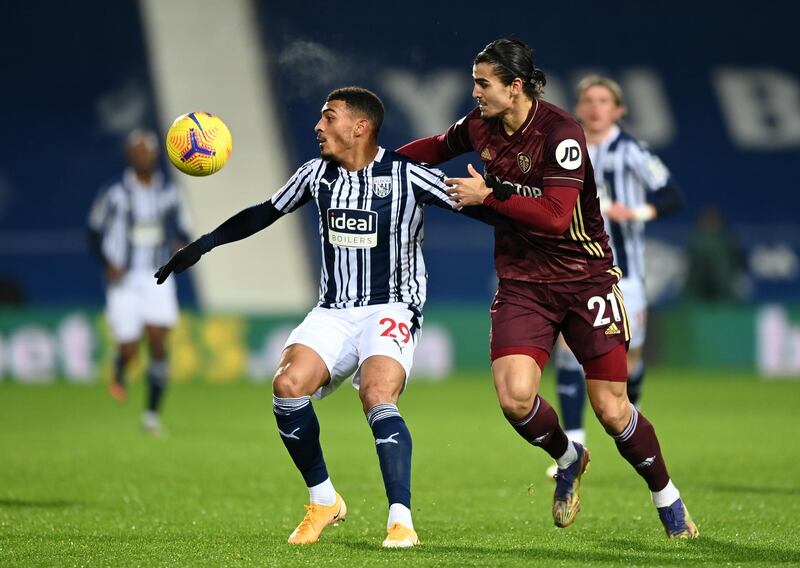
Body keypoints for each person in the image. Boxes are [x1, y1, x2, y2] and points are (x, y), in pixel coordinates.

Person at [154, 87, 499, 548]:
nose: (318, 127)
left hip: (392, 306)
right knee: (287, 386)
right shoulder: (316, 174)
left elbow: (484, 208)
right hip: (334, 310)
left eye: (328, 117)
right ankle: (323, 500)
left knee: (377, 393)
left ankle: (400, 519)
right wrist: (203, 244)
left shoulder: (408, 175)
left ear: (360, 127)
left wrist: (503, 205)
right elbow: (264, 212)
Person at [397, 38, 698, 538]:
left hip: (586, 278)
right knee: (516, 399)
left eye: (482, 83)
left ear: (515, 87)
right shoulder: (479, 126)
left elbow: (557, 218)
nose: (474, 92)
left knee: (611, 408)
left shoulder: (562, 132)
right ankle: (568, 457)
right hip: (522, 284)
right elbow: (431, 148)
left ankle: (667, 499)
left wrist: (492, 193)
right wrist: (377, 164)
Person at [550, 75, 684, 455]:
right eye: (588, 100)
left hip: (625, 275)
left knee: (630, 357)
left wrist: (636, 211)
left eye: (604, 100)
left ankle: (633, 415)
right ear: (578, 107)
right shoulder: (564, 150)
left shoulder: (631, 151)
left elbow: (673, 196)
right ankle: (575, 443)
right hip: (575, 271)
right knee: (569, 349)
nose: (595, 107)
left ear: (619, 110)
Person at [87, 129, 191, 435]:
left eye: (145, 151)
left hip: (158, 274)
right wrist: (108, 264)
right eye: (136, 152)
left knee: (158, 338)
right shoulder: (115, 192)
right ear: (129, 156)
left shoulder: (170, 192)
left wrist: (179, 245)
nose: (141, 156)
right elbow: (93, 231)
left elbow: (184, 228)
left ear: (155, 154)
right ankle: (121, 365)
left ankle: (151, 415)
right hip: (124, 278)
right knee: (131, 348)